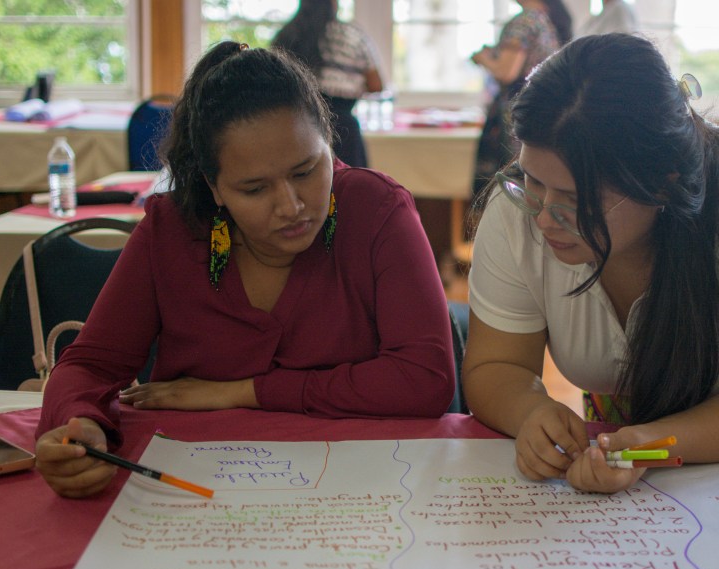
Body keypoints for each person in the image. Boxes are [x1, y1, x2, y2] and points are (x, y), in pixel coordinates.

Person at [34, 42, 455, 498]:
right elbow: (89, 365)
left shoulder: (376, 209)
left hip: (362, 490)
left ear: (329, 144)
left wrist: (242, 391)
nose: (291, 206)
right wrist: (81, 425)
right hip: (194, 493)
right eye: (254, 189)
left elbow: (425, 379)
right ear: (214, 187)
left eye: (306, 171)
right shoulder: (172, 229)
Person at [462, 34, 719, 494]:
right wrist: (531, 412)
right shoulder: (517, 208)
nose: (542, 218)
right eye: (533, 180)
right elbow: (496, 365)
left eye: (576, 200)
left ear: (661, 185)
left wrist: (647, 446)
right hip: (651, 391)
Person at [470, 0, 572, 199]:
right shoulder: (544, 21)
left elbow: (506, 72)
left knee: (512, 184)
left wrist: (482, 57)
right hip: (538, 114)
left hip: (517, 114)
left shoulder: (524, 22)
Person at [272, 0, 383, 168]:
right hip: (343, 127)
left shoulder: (287, 35)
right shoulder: (352, 35)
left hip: (296, 127)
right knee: (349, 181)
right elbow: (376, 85)